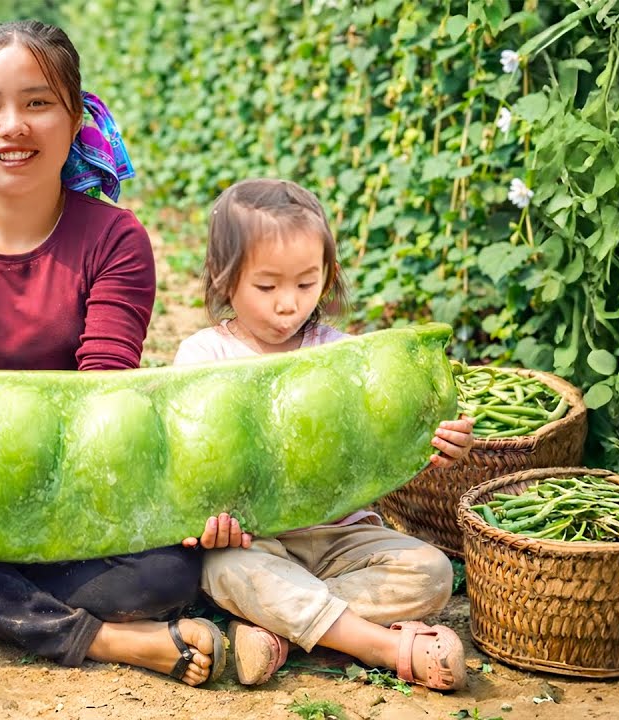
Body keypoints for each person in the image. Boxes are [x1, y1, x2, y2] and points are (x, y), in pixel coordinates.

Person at [0, 19, 227, 687]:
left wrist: (47, 492)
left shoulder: (116, 241)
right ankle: (110, 640)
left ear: (75, 116)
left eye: (37, 103)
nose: (13, 126)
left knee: (169, 571)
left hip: (79, 486)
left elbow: (101, 400)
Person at [173, 178, 476, 691]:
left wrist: (437, 441)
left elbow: (389, 437)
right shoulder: (203, 359)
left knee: (432, 572)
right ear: (224, 281)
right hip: (257, 541)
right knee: (223, 571)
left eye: (305, 283)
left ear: (328, 276)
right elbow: (187, 466)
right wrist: (209, 522)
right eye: (266, 287)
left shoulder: (345, 356)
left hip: (344, 534)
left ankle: (278, 632)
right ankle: (382, 647)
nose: (288, 304)